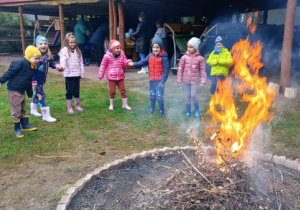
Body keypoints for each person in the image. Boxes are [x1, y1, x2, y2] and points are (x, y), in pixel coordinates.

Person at [0, 45, 41, 138]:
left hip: (22, 90)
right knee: (16, 110)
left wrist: (30, 95)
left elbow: (28, 82)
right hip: (14, 90)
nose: (37, 61)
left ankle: (25, 125)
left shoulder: (32, 66)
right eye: (36, 58)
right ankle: (17, 128)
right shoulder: (20, 63)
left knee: (23, 108)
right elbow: (9, 73)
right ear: (29, 57)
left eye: (39, 59)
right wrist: (1, 81)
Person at [128, 37, 169, 115]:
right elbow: (142, 62)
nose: (155, 49)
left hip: (160, 81)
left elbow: (166, 71)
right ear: (152, 47)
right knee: (152, 95)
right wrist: (133, 64)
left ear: (161, 47)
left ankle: (161, 109)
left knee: (159, 96)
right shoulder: (150, 56)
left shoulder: (164, 58)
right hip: (152, 80)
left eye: (157, 47)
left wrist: (163, 81)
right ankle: (152, 108)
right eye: (154, 47)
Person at [30, 35, 64, 123]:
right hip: (35, 81)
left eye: (45, 43)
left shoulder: (48, 55)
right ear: (36, 45)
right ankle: (45, 115)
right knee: (41, 95)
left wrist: (57, 66)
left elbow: (51, 63)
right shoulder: (35, 56)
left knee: (36, 95)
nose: (43, 45)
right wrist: (33, 82)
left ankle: (33, 111)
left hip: (41, 80)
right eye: (41, 44)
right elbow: (31, 71)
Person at [98, 40, 132, 111]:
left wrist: (129, 61)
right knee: (112, 91)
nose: (119, 50)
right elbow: (103, 65)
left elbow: (125, 62)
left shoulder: (122, 54)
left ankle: (125, 104)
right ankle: (111, 104)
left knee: (123, 91)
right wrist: (101, 75)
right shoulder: (107, 56)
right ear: (112, 49)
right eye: (117, 48)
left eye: (120, 48)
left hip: (120, 76)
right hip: (111, 77)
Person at [177, 37, 206, 118]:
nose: (189, 49)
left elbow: (203, 70)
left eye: (191, 47)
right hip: (186, 80)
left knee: (193, 95)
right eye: (188, 47)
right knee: (187, 96)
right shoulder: (184, 57)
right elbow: (180, 69)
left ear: (196, 48)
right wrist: (179, 79)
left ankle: (196, 110)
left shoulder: (200, 59)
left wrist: (203, 80)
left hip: (195, 81)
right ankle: (188, 110)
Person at [59, 32, 85, 114]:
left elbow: (81, 62)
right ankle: (69, 107)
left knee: (77, 91)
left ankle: (77, 105)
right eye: (71, 42)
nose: (73, 44)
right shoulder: (64, 51)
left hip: (77, 74)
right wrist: (62, 67)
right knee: (69, 91)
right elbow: (62, 61)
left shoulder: (78, 51)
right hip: (69, 74)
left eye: (74, 42)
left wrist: (82, 73)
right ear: (67, 42)